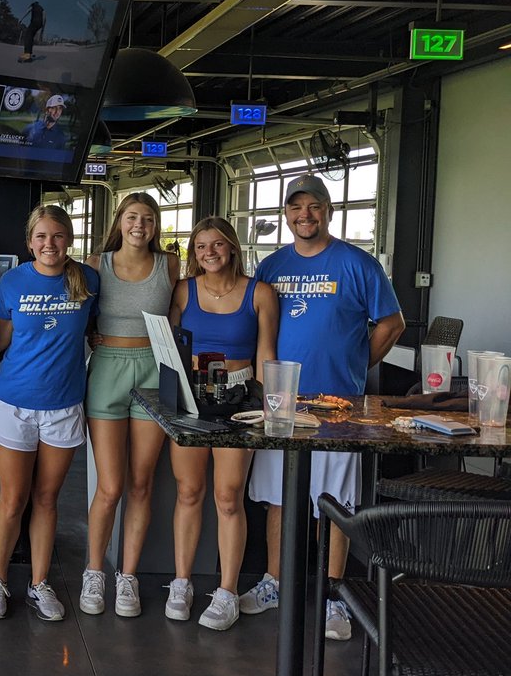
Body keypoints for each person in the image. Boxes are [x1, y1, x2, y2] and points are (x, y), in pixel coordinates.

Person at [244, 174, 404, 641]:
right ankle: (274, 582)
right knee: (278, 498)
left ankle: (334, 596)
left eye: (313, 206)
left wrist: (357, 363)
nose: (305, 215)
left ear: (328, 211)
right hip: (281, 403)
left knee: (333, 504)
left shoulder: (357, 264)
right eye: (296, 208)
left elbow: (392, 323)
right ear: (286, 215)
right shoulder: (271, 266)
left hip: (337, 407)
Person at [0, 205, 99, 621]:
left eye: (58, 236)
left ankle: (39, 583)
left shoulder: (87, 280)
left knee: (47, 499)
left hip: (64, 406)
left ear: (69, 239)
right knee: (12, 499)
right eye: (42, 237)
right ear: (29, 242)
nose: (50, 244)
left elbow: (95, 331)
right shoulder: (13, 282)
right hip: (15, 403)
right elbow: (1, 340)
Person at [167, 217, 277, 630]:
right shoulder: (183, 290)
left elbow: (266, 352)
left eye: (216, 244)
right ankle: (182, 582)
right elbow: (169, 343)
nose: (208, 253)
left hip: (239, 397)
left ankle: (227, 591)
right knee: (188, 491)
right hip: (192, 396)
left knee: (229, 497)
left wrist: (265, 406)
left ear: (231, 247)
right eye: (200, 246)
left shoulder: (259, 292)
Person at [82, 192, 180, 618]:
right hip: (107, 369)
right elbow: (80, 313)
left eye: (148, 218)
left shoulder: (169, 265)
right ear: (119, 221)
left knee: (142, 483)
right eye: (132, 217)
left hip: (154, 371)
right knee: (110, 486)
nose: (140, 225)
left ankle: (128, 576)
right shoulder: (96, 264)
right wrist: (91, 336)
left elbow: (181, 317)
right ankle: (93, 571)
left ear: (156, 226)